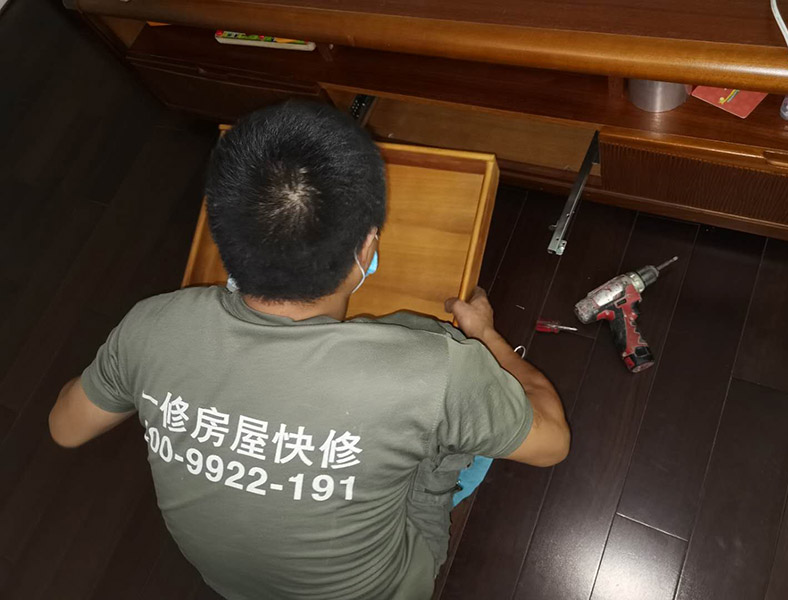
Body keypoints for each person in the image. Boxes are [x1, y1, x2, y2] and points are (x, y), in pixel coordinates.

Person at [48, 101, 570, 600]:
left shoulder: (152, 324)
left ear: (222, 235)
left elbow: (65, 428)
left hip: (233, 584)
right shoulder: (436, 366)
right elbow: (552, 443)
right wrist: (482, 338)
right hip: (386, 590)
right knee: (459, 408)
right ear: (367, 247)